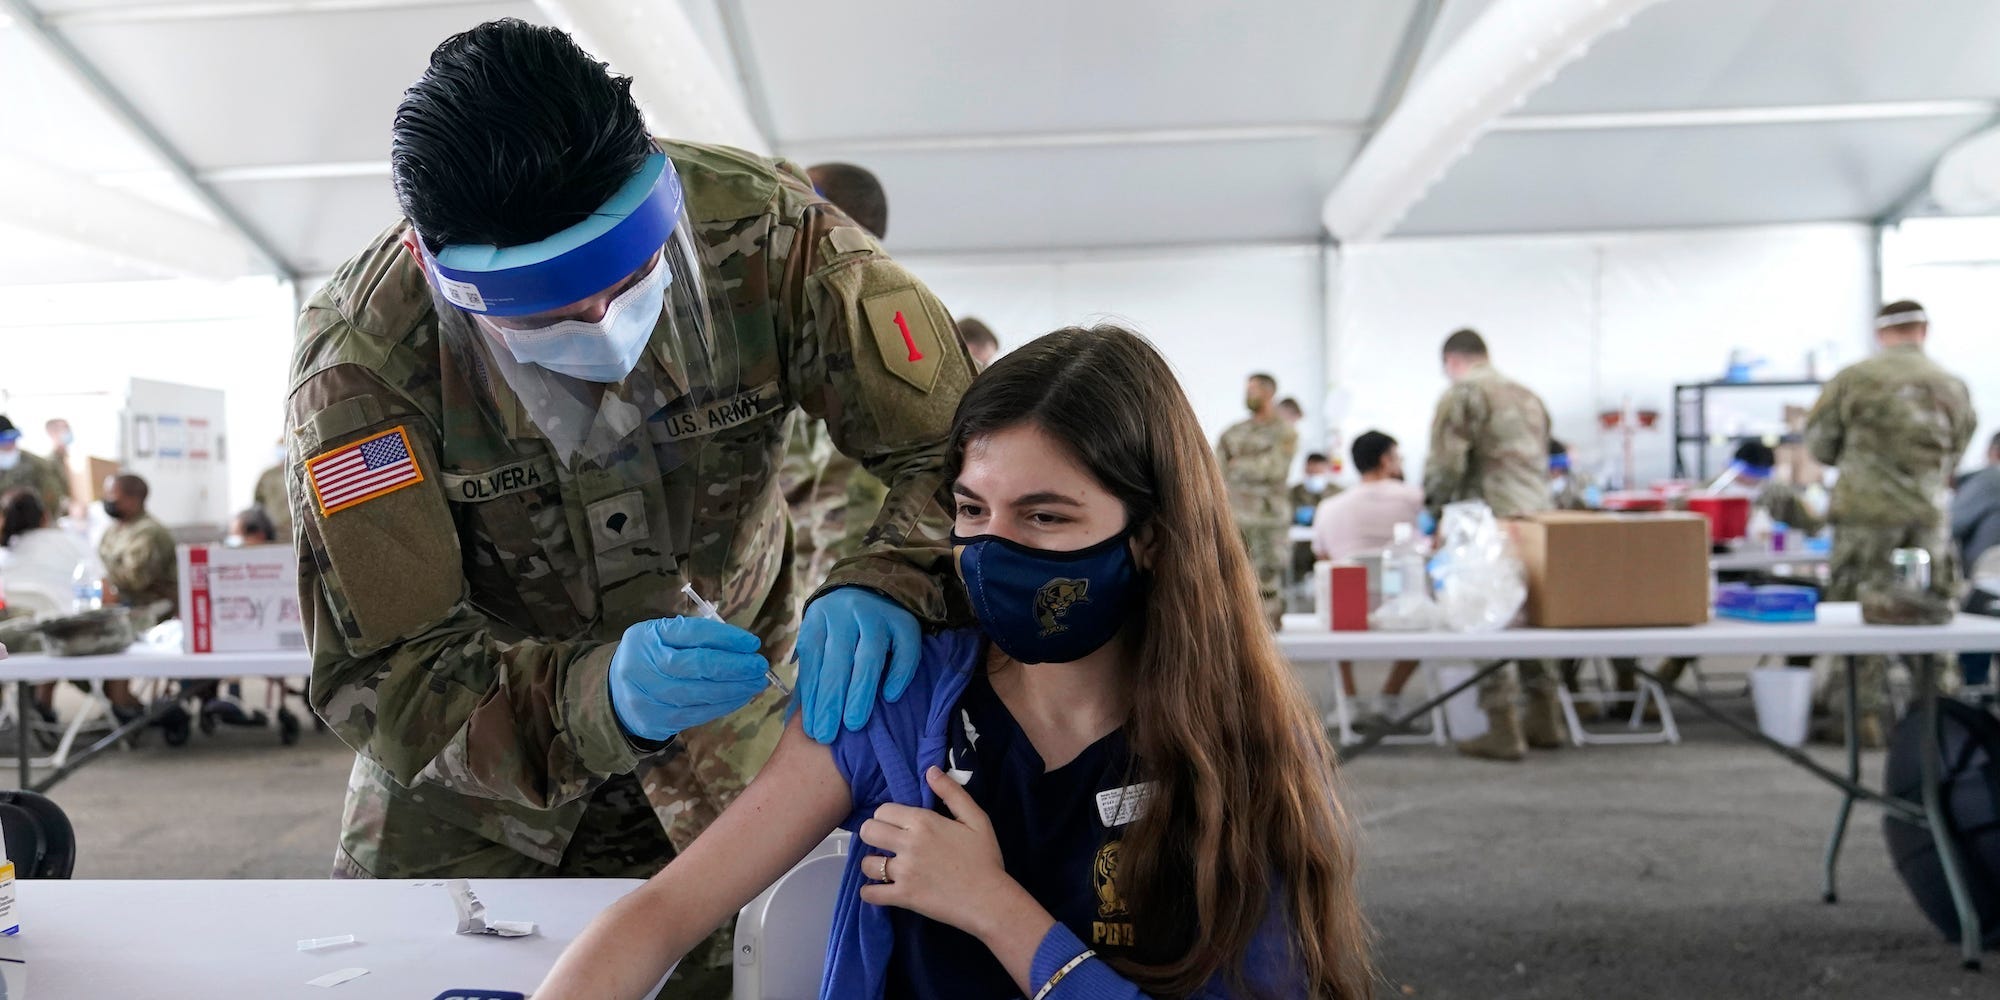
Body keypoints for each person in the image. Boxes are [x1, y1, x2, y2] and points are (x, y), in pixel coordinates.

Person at [287, 22, 972, 993]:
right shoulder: (365, 369)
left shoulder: (767, 234)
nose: (604, 326)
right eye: (549, 315)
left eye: (630, 279)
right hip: (477, 799)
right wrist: (593, 698)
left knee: (772, 969)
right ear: (435, 266)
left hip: (736, 747)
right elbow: (388, 675)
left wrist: (888, 582)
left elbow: (958, 447)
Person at [534, 324, 1373, 1000]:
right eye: (973, 509)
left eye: (1046, 518)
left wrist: (994, 909)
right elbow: (662, 913)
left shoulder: (1237, 752)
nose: (995, 550)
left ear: (1150, 537)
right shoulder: (900, 704)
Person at [1806, 300, 1978, 746]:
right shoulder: (1952, 385)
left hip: (1867, 513)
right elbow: (1957, 451)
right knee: (1930, 610)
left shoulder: (1854, 379)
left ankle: (1859, 715)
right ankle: (1941, 714)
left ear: (1882, 333)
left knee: (1857, 609)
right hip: (1927, 514)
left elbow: (1822, 446)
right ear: (1924, 329)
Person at [1423, 329, 1562, 761]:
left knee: (1489, 618)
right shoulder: (1529, 396)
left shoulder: (1464, 394)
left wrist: (1435, 507)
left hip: (1485, 523)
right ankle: (1546, 718)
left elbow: (1446, 464)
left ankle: (1504, 727)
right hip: (1538, 519)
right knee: (1536, 617)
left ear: (1451, 361)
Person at [1312, 430, 1425, 727]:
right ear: (1386, 460)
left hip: (1348, 615)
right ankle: (1390, 695)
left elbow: (1324, 561)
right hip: (1404, 612)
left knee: (1334, 601)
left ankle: (1348, 699)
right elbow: (1430, 543)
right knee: (1424, 606)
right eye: (1398, 456)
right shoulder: (1413, 497)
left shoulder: (1329, 507)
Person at [1, 487, 88, 728]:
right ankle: (126, 708)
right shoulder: (71, 544)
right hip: (64, 643)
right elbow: (104, 594)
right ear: (44, 517)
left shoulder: (4, 555)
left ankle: (38, 711)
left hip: (11, 645)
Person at [1218, 373, 1297, 629]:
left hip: (1268, 519)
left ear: (1270, 393)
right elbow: (1216, 469)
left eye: (1255, 389)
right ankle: (1241, 632)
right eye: (1247, 388)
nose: (1249, 393)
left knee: (1267, 578)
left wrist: (1237, 464)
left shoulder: (1284, 431)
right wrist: (1245, 466)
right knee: (1234, 577)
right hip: (1235, 516)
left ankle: (1270, 636)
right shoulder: (1234, 431)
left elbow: (1274, 468)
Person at [98, 473, 173, 723]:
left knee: (108, 639)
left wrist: (105, 582)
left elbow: (135, 579)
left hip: (153, 610)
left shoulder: (149, 533)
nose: (107, 500)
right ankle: (118, 705)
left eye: (113, 496)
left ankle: (124, 706)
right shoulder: (115, 530)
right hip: (120, 606)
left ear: (133, 499)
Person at [1954, 431, 2000, 690]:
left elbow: (1949, 525)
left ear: (1993, 452)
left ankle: (1972, 694)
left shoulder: (1991, 478)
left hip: (1989, 590)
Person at [0, 416, 68, 517]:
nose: (10, 446)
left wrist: (30, 499)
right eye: (4, 443)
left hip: (36, 525)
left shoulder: (37, 464)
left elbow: (55, 496)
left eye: (13, 440)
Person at [252, 439, 292, 542]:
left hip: (297, 529)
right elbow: (257, 505)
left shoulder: (298, 471)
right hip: (274, 532)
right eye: (280, 447)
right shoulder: (267, 476)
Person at [41, 418, 76, 519]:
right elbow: (54, 495)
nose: (69, 432)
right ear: (52, 433)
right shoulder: (48, 463)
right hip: (64, 517)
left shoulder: (69, 459)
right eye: (65, 428)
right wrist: (71, 506)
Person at [1290, 452, 1339, 523]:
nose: (1314, 471)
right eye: (1311, 468)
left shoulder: (1337, 491)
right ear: (1305, 468)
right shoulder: (1295, 490)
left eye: (1318, 469)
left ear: (1326, 468)